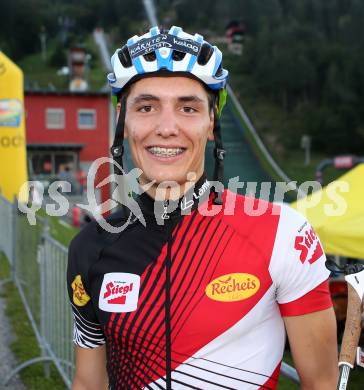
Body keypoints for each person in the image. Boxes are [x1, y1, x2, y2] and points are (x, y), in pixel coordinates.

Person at [67, 26, 338, 390]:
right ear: (123, 119)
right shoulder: (90, 248)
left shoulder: (284, 234)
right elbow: (88, 383)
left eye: (188, 108)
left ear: (211, 122)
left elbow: (321, 383)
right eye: (146, 107)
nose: (166, 127)